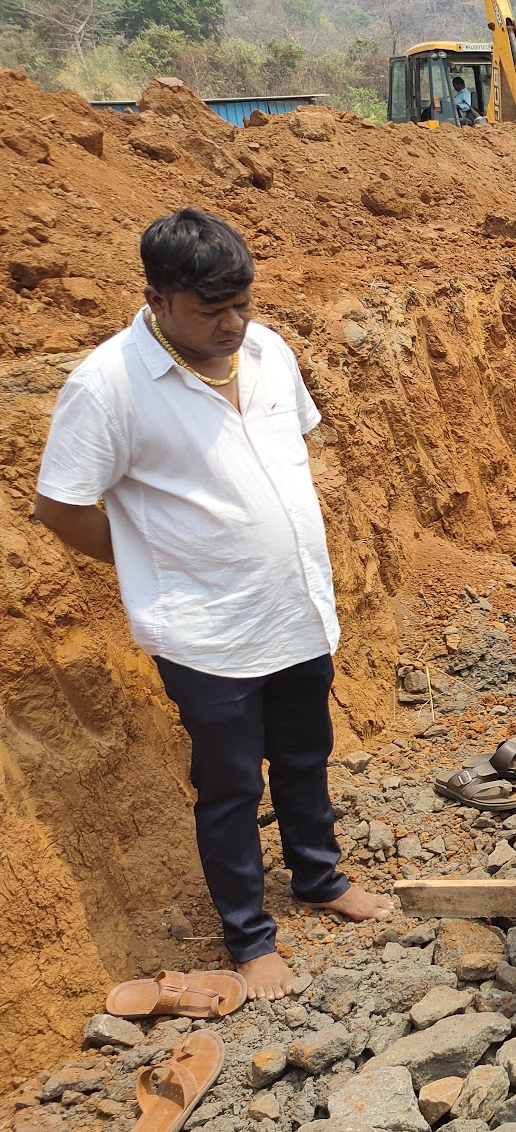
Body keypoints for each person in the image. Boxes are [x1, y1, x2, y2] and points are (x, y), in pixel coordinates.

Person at [33, 210, 393, 999]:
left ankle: (319, 878)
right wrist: (147, 559)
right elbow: (59, 506)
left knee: (304, 755)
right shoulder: (108, 385)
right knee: (230, 784)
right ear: (157, 297)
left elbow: (285, 455)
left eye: (243, 303)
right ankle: (249, 935)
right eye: (210, 310)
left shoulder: (267, 353)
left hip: (296, 608)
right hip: (207, 632)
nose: (232, 324)